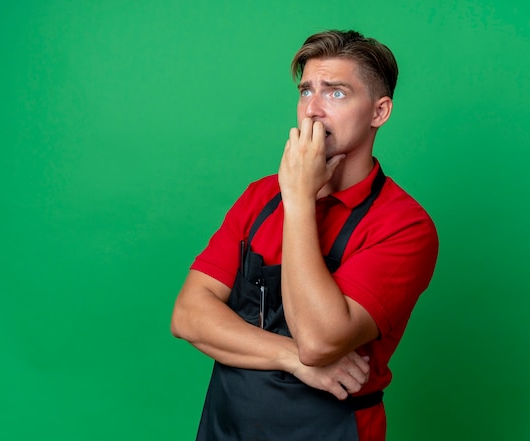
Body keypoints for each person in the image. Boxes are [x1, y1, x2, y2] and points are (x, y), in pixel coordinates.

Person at [171, 29, 439, 441]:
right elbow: (189, 316)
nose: (312, 110)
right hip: (227, 428)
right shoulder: (260, 196)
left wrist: (298, 200)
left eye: (335, 93)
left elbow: (317, 341)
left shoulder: (403, 225)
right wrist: (290, 358)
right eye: (306, 91)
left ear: (379, 112)